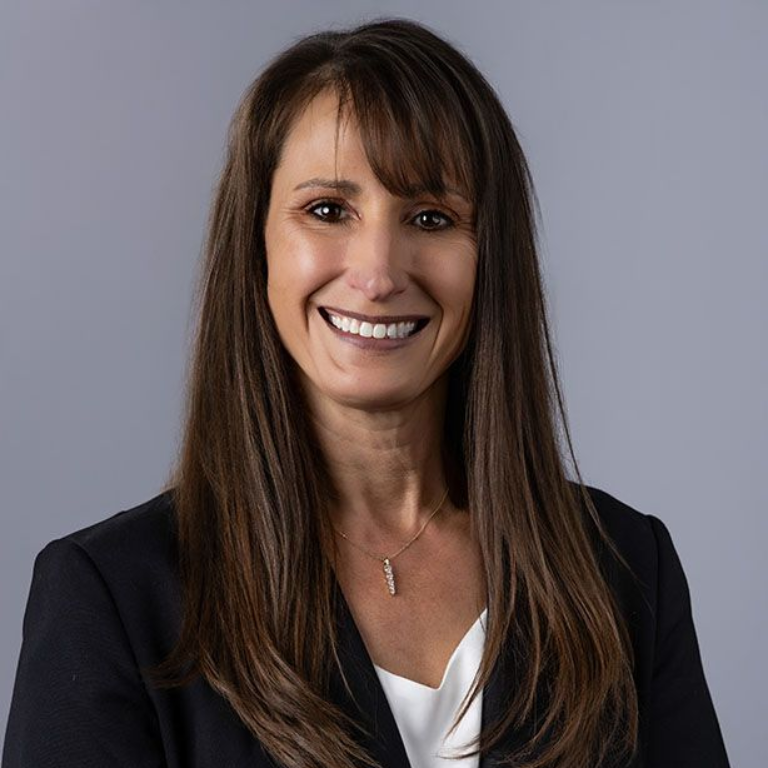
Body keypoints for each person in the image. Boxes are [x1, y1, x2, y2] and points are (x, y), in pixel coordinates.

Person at [2, 17, 730, 768]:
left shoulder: (625, 570)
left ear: (489, 259)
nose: (379, 273)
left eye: (430, 217)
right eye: (327, 210)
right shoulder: (115, 599)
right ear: (255, 246)